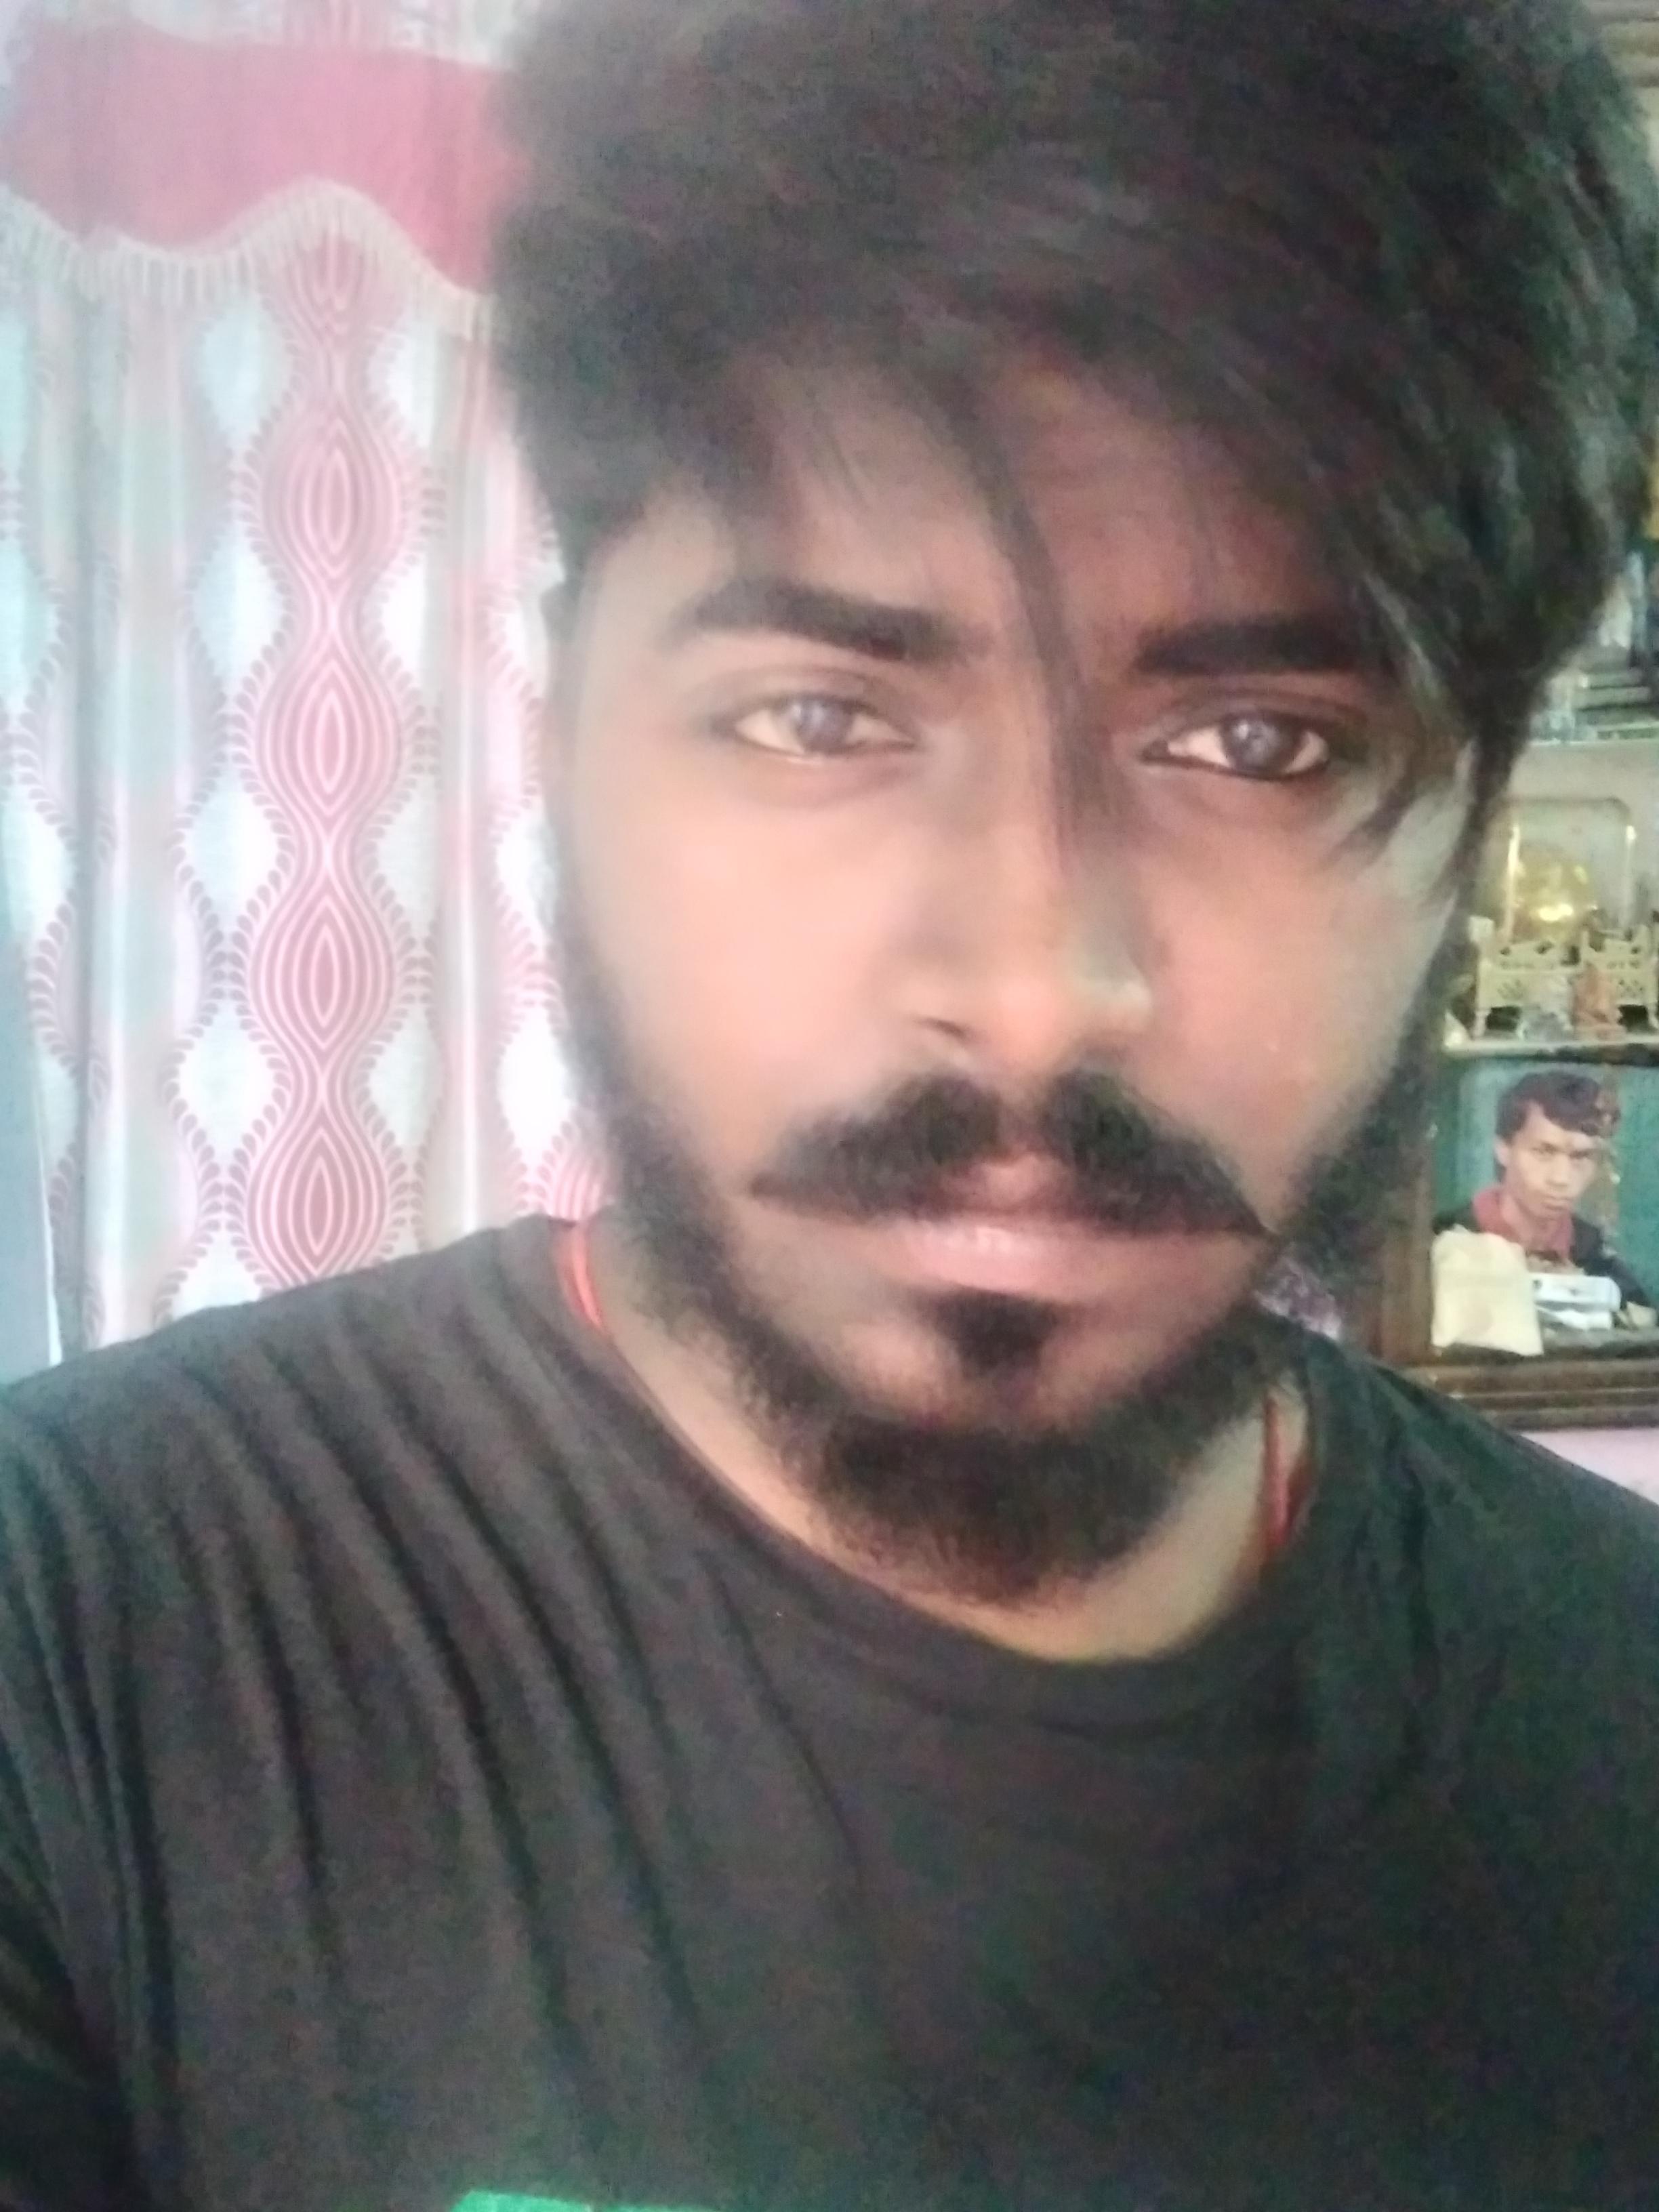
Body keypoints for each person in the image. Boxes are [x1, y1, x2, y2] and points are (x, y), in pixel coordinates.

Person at [4, 3, 1659, 2207]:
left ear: (1468, 828)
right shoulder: (69, 1655)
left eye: (1255, 743)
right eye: (818, 714)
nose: (1033, 995)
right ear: (565, 729)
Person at [1437, 1067, 1654, 1314]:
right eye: (1544, 1152)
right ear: (1503, 1149)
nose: (1561, 1178)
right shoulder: (1437, 1246)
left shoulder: (1601, 1265)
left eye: (1581, 1156)